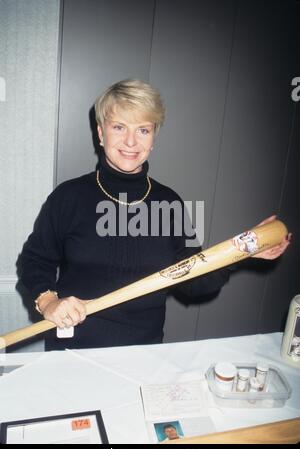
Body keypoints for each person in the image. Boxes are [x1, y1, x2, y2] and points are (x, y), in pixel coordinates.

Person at [18, 79, 291, 351]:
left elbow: (192, 282)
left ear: (153, 137)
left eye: (143, 130)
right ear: (101, 134)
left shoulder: (168, 203)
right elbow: (34, 260)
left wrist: (241, 252)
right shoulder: (69, 197)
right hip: (74, 349)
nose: (130, 141)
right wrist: (49, 302)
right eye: (119, 127)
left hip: (144, 355)